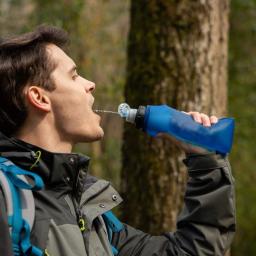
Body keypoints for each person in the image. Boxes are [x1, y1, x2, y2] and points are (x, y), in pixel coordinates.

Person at [0, 25, 235, 256]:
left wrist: (205, 161)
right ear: (39, 97)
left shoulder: (94, 220)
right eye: (74, 76)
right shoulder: (7, 200)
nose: (90, 84)